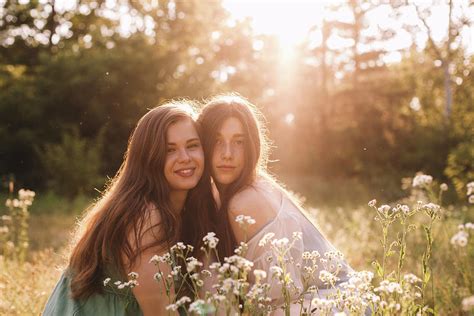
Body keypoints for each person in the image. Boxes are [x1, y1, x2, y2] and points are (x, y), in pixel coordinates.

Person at [43, 101, 228, 316]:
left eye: (192, 145)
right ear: (149, 157)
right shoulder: (145, 216)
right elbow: (162, 313)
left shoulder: (195, 207)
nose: (185, 158)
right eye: (170, 150)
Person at [198, 94, 353, 314]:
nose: (227, 154)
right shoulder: (243, 187)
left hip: (331, 305)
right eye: (216, 141)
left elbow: (279, 297)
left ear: (251, 145)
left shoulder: (244, 201)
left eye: (238, 142)